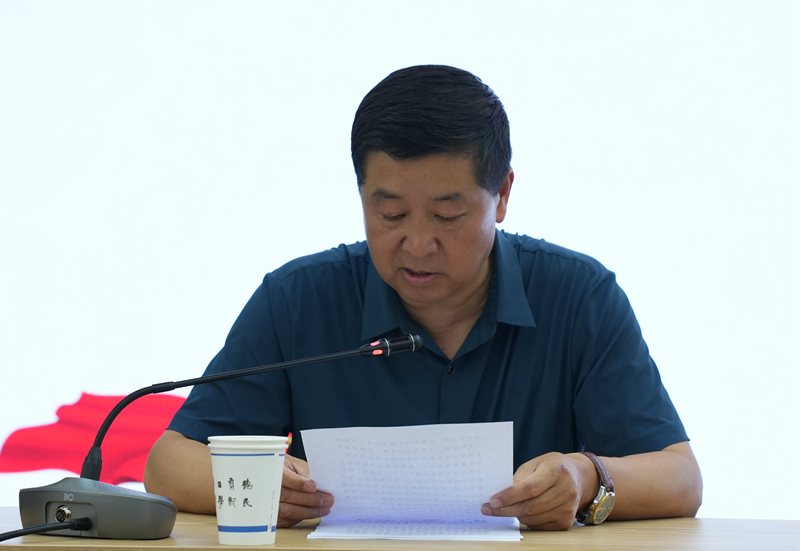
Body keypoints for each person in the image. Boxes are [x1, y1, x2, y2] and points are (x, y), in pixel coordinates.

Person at [144, 64, 702, 530]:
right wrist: (263, 485)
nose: (416, 244)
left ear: (502, 195)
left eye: (447, 215)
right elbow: (169, 464)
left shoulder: (579, 297)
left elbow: (680, 477)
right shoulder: (297, 300)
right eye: (390, 214)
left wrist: (586, 478)